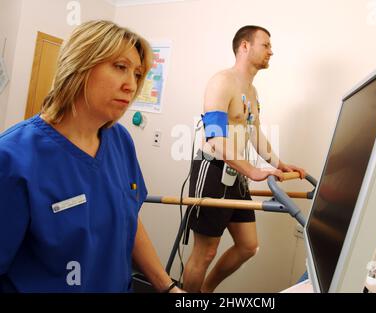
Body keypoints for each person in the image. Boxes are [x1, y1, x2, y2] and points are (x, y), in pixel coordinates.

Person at [0, 20, 183, 293]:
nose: (131, 85)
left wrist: (167, 287)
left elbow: (129, 219)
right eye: (120, 67)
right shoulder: (14, 157)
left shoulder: (120, 141)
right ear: (79, 65)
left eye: (137, 74)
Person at [183, 25, 307, 293]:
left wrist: (278, 163)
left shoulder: (252, 91)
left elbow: (254, 132)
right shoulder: (222, 81)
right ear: (244, 46)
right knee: (205, 252)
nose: (271, 51)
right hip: (212, 171)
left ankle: (205, 291)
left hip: (237, 175)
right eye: (266, 45)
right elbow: (215, 137)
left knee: (248, 246)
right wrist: (252, 170)